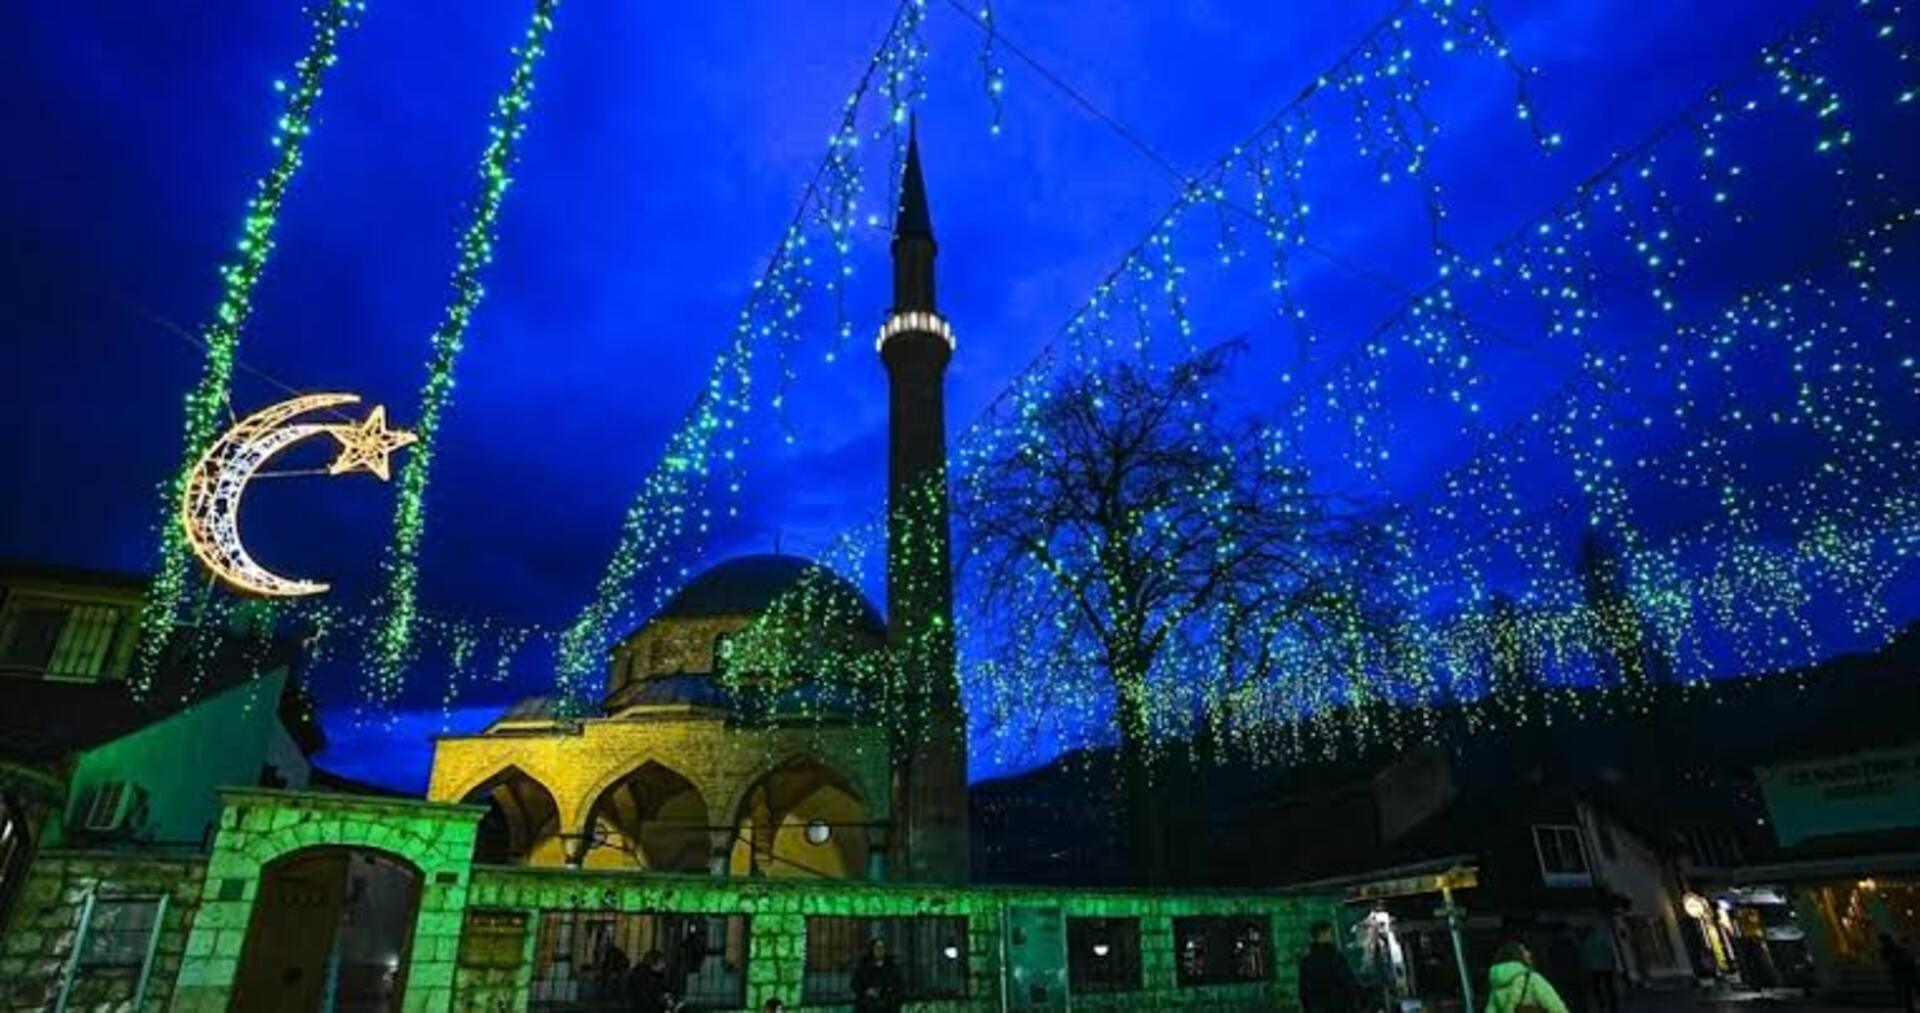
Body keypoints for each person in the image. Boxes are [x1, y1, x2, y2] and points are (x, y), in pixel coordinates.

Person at [1485, 940, 1571, 1013]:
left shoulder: (1497, 985)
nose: (1529, 954)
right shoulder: (1532, 979)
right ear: (1517, 955)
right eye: (1524, 951)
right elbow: (1556, 1008)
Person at [1298, 920, 1362, 1013]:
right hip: (1338, 1006)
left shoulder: (1308, 961)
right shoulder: (1335, 958)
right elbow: (1347, 981)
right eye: (1329, 933)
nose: (1331, 937)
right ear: (1323, 935)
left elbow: (1304, 990)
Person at [850, 937, 903, 1013]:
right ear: (872, 949)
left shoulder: (891, 967)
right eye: (877, 947)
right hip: (867, 1005)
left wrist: (889, 992)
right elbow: (855, 984)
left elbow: (899, 985)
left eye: (882, 947)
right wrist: (866, 992)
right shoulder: (863, 967)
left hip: (888, 1005)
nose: (880, 950)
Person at [1577, 925, 1619, 1013]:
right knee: (1609, 987)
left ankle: (1601, 1004)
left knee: (1597, 987)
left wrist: (1586, 967)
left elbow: (1584, 956)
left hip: (1594, 968)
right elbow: (1610, 951)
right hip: (1606, 967)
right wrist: (1613, 964)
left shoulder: (1586, 942)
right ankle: (1613, 1006)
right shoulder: (1602, 938)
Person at [628, 949, 675, 1013]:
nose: (664, 965)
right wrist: (666, 1000)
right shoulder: (648, 979)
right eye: (661, 962)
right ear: (653, 964)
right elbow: (652, 1000)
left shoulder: (643, 975)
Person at [1882, 933, 1917, 1013]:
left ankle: (1903, 1004)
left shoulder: (1899, 950)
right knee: (1908, 992)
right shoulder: (1908, 951)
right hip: (1907, 974)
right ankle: (1907, 1006)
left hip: (1902, 973)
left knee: (1903, 990)